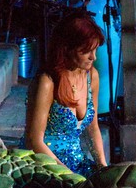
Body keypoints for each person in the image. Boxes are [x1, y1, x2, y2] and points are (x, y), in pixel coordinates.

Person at [21, 11, 108, 176]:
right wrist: (68, 175)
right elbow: (34, 140)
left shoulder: (91, 76)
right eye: (86, 51)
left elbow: (93, 128)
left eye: (95, 50)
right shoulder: (47, 81)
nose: (93, 57)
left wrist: (103, 167)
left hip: (75, 163)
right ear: (67, 49)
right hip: (45, 165)